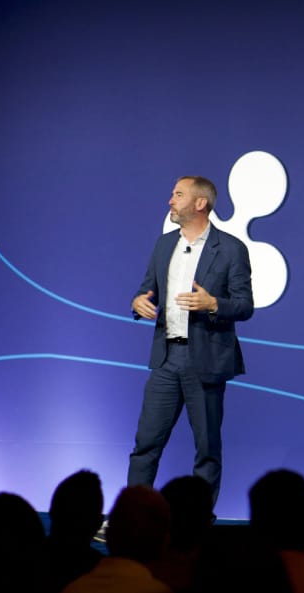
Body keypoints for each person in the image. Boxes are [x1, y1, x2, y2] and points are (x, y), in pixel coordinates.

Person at [128, 175, 254, 509]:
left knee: (207, 448)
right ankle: (133, 514)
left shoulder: (230, 249)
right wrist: (138, 303)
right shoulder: (164, 245)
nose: (170, 200)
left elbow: (244, 305)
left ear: (200, 203)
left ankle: (198, 521)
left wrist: (213, 304)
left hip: (206, 360)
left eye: (178, 195)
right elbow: (146, 290)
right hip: (166, 358)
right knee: (146, 443)